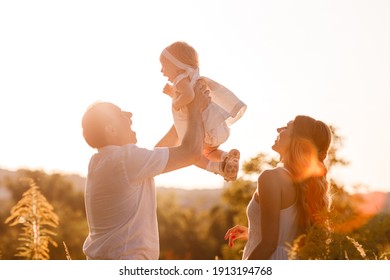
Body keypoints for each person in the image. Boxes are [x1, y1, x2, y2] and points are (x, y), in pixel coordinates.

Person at [81, 81, 210, 260]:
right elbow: (191, 153)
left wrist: (183, 118)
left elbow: (157, 156)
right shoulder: (126, 160)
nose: (130, 115)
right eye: (121, 114)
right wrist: (195, 109)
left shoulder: (101, 161)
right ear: (110, 129)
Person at [224, 115, 332, 259]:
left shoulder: (271, 177)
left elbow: (269, 245)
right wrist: (254, 232)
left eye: (287, 127)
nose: (278, 129)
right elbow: (288, 233)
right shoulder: (304, 183)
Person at [156, 41, 247, 181]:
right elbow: (188, 98)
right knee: (210, 150)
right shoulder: (192, 78)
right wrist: (172, 94)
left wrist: (175, 103)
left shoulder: (180, 80)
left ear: (176, 64)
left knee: (193, 155)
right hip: (214, 127)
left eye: (164, 66)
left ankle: (217, 168)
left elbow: (188, 96)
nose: (162, 71)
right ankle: (226, 157)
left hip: (203, 129)